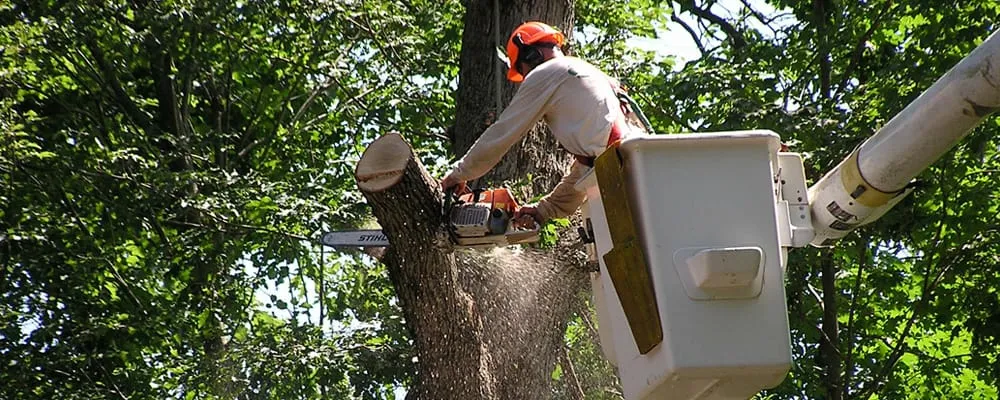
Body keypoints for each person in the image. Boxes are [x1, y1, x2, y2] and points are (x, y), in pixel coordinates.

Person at [440, 21, 644, 226]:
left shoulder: (546, 72)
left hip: (622, 172)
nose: (526, 77)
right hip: (636, 165)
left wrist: (458, 174)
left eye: (522, 69)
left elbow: (502, 134)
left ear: (532, 56)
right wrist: (545, 209)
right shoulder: (589, 74)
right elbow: (589, 164)